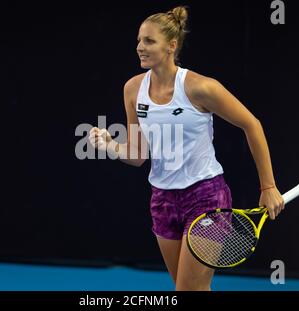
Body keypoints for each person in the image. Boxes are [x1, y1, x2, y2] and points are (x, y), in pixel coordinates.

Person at [88, 6, 284, 291]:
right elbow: (137, 156)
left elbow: (251, 125)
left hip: (206, 198)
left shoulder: (200, 88)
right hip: (162, 201)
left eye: (149, 41)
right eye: (139, 40)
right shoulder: (132, 90)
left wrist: (268, 186)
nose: (140, 47)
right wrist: (109, 145)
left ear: (171, 46)